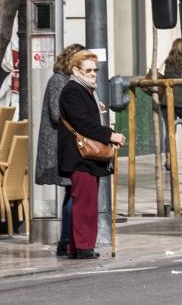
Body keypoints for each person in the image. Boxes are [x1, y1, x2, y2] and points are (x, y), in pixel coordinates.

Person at [57, 50, 124, 259]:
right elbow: (83, 123)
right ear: (76, 70)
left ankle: (78, 247)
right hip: (80, 157)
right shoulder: (72, 90)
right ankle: (84, 246)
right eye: (89, 70)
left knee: (85, 201)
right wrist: (111, 135)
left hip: (84, 158)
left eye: (95, 69)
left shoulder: (85, 90)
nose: (94, 73)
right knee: (85, 204)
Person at [35, 43, 85, 256]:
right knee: (71, 191)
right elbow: (57, 113)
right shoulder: (58, 80)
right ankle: (65, 240)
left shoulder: (69, 82)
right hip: (58, 145)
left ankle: (68, 239)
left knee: (72, 190)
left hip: (66, 143)